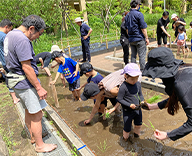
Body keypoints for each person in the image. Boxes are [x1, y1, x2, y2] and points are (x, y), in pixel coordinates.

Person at [4, 15, 57, 152]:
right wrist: (39, 88)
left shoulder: (11, 34)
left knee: (29, 110)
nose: (38, 37)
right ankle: (40, 145)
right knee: (37, 114)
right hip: (24, 82)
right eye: (39, 34)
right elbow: (26, 67)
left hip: (15, 80)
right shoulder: (22, 40)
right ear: (31, 29)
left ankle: (34, 137)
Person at [142, 47, 192, 141]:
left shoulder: (181, 84)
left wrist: (168, 135)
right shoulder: (184, 70)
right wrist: (152, 106)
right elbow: (176, 97)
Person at [116, 63, 144, 141]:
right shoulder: (123, 87)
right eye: (132, 79)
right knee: (127, 128)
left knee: (138, 125)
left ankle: (136, 137)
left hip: (138, 110)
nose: (134, 81)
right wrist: (129, 105)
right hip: (127, 111)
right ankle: (126, 139)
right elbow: (120, 99)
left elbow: (140, 95)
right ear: (126, 76)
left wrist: (142, 101)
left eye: (137, 78)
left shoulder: (138, 84)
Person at [125, 0, 149, 72]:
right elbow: (143, 28)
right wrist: (147, 38)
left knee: (133, 55)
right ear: (137, 5)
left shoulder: (127, 15)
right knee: (141, 55)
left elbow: (126, 29)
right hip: (139, 38)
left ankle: (133, 70)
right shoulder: (139, 14)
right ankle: (142, 70)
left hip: (131, 39)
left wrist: (129, 36)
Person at [0, 19, 20, 104]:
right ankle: (16, 98)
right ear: (6, 27)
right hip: (8, 61)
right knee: (13, 78)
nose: (10, 31)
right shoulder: (4, 36)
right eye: (10, 29)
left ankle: (15, 96)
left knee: (9, 77)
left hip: (2, 61)